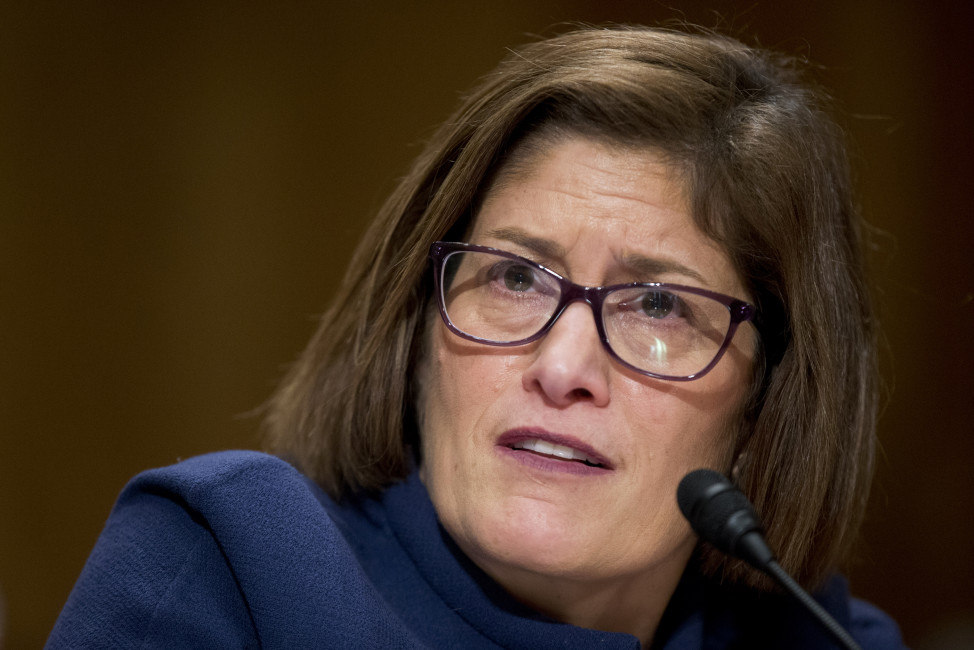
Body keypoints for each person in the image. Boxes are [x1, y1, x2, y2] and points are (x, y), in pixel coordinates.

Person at [48, 25, 904, 648]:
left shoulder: (823, 636)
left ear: (769, 398)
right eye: (515, 278)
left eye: (657, 306)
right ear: (417, 332)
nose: (563, 366)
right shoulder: (239, 570)